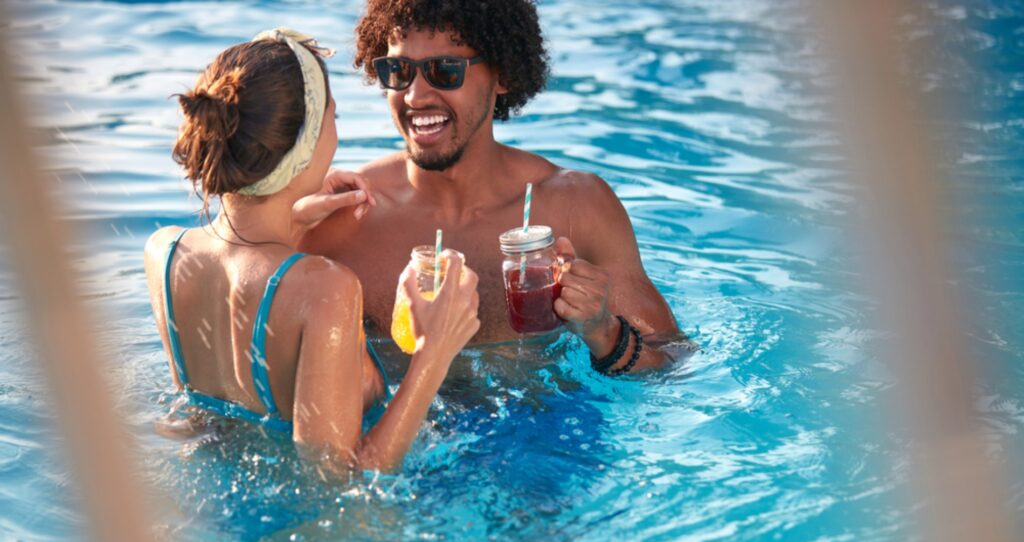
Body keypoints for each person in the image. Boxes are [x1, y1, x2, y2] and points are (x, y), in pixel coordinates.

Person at [143, 28, 480, 474]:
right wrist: (433, 354)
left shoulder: (165, 254)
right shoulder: (324, 288)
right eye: (334, 118)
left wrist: (294, 215)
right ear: (306, 147)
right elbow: (337, 481)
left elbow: (212, 414)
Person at [298, 0, 683, 375]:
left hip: (551, 433)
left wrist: (604, 332)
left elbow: (675, 361)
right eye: (398, 70)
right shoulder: (341, 219)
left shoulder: (576, 207)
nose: (415, 96)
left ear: (504, 75)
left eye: (444, 70)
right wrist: (288, 225)